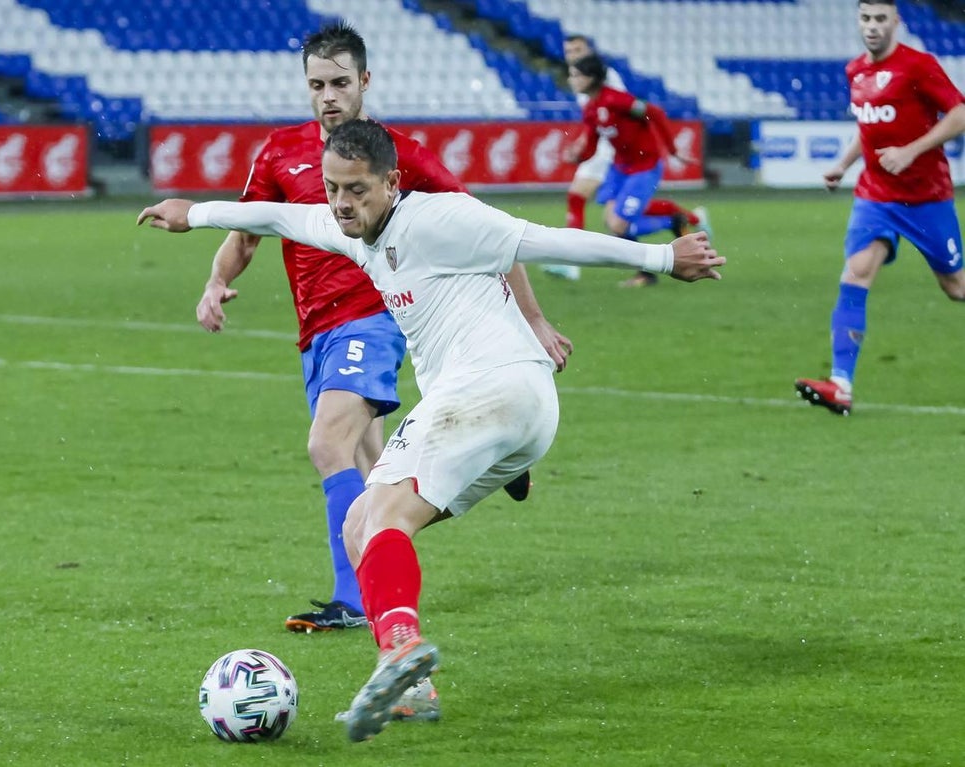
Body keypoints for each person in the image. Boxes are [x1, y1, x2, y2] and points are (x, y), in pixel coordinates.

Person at [137, 118, 724, 742]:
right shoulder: (348, 225)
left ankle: (400, 647)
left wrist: (663, 256)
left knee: (380, 514)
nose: (340, 203)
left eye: (357, 190)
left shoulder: (441, 218)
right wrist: (193, 213)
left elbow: (545, 240)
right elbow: (277, 219)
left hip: (491, 386)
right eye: (333, 188)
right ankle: (413, 691)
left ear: (391, 181)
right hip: (515, 414)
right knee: (364, 526)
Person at [197, 22, 574, 637]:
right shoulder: (280, 152)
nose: (328, 96)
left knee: (326, 444)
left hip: (375, 316)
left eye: (340, 83)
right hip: (315, 329)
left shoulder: (397, 157)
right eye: (317, 84)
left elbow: (491, 234)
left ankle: (355, 602)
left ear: (364, 82)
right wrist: (215, 283)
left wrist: (532, 318)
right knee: (373, 469)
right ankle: (495, 462)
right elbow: (248, 233)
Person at [794, 0, 965, 416]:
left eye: (880, 19)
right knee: (855, 272)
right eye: (866, 19)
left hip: (926, 197)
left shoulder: (918, 65)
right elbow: (867, 126)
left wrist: (911, 151)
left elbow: (959, 113)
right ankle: (840, 385)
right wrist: (842, 164)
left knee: (956, 287)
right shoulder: (856, 70)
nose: (872, 27)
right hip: (874, 197)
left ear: (896, 22)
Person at [545, 35, 708, 282]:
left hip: (644, 166)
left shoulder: (617, 100)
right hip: (620, 168)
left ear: (590, 78)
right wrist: (577, 157)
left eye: (576, 76)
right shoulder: (591, 108)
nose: (571, 80)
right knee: (612, 222)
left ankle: (669, 230)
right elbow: (591, 146)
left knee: (619, 224)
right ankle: (655, 257)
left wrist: (673, 150)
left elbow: (655, 113)